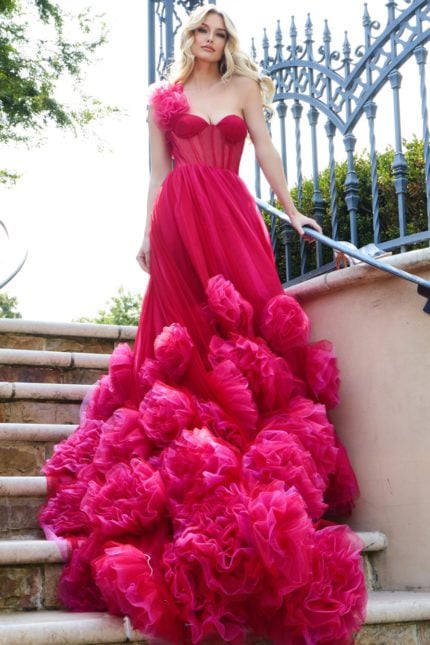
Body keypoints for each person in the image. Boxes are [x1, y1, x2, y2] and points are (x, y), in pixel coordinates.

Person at [39, 5, 366, 644]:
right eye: (203, 30)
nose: (212, 40)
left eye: (220, 32)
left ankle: (253, 460)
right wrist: (146, 235)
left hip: (233, 214)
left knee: (246, 328)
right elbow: (157, 172)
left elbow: (265, 147)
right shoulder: (162, 100)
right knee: (183, 339)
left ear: (227, 42)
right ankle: (191, 455)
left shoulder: (245, 88)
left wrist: (296, 212)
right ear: (190, 36)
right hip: (179, 220)